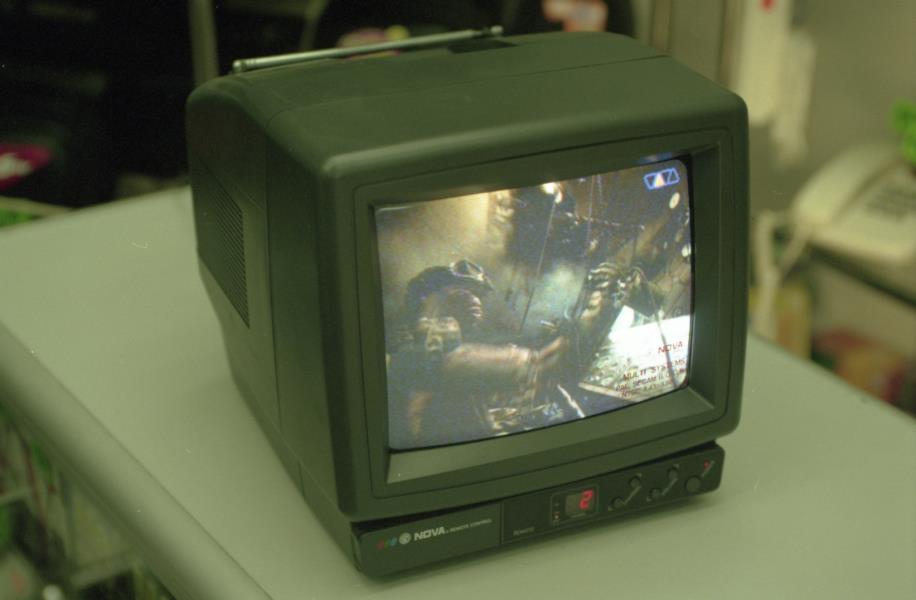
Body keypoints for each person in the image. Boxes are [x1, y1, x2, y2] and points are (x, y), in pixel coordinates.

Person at [388, 258, 623, 447]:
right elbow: (543, 364)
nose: (475, 299)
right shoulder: (418, 355)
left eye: (478, 293)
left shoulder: (430, 352)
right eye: (463, 289)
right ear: (426, 297)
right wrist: (600, 304)